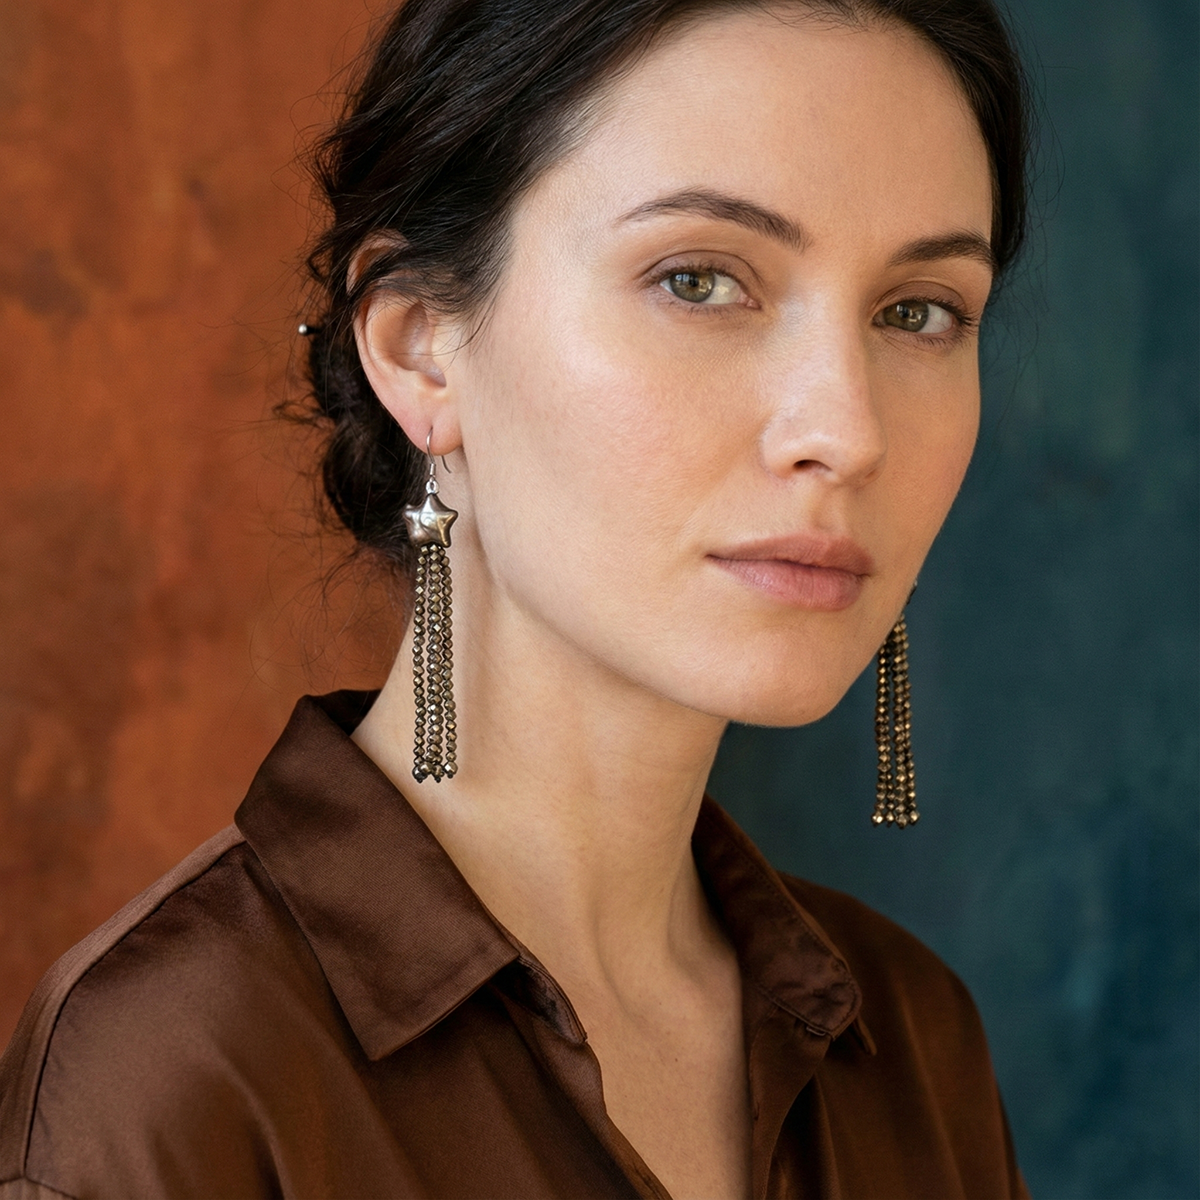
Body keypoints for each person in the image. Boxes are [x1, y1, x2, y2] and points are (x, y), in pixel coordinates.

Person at [0, 0, 1032, 1196]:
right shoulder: (176, 1074)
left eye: (920, 312)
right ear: (421, 345)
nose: (845, 431)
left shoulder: (910, 1041)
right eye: (699, 279)